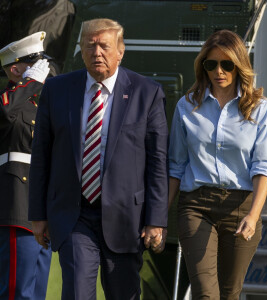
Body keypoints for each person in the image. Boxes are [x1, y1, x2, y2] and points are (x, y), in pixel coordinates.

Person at [28, 18, 168, 300]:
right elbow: (41, 155)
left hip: (127, 218)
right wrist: (38, 215)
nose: (97, 53)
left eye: (104, 46)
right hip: (74, 215)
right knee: (78, 292)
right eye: (89, 46)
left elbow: (157, 162)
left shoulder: (146, 93)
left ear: (120, 51)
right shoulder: (57, 90)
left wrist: (156, 219)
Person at [168, 29, 267, 300]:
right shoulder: (186, 106)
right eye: (211, 64)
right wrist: (159, 213)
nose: (219, 71)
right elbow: (176, 166)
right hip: (196, 207)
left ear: (239, 65)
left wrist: (253, 216)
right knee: (205, 294)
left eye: (227, 64)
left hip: (241, 208)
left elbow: (262, 167)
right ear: (203, 66)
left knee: (229, 294)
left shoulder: (259, 108)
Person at [0, 32, 52, 300]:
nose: (43, 67)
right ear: (15, 68)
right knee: (17, 291)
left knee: (37, 291)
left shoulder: (38, 105)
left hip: (43, 209)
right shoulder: (10, 100)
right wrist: (29, 82)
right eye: (34, 61)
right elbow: (6, 114)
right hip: (17, 206)